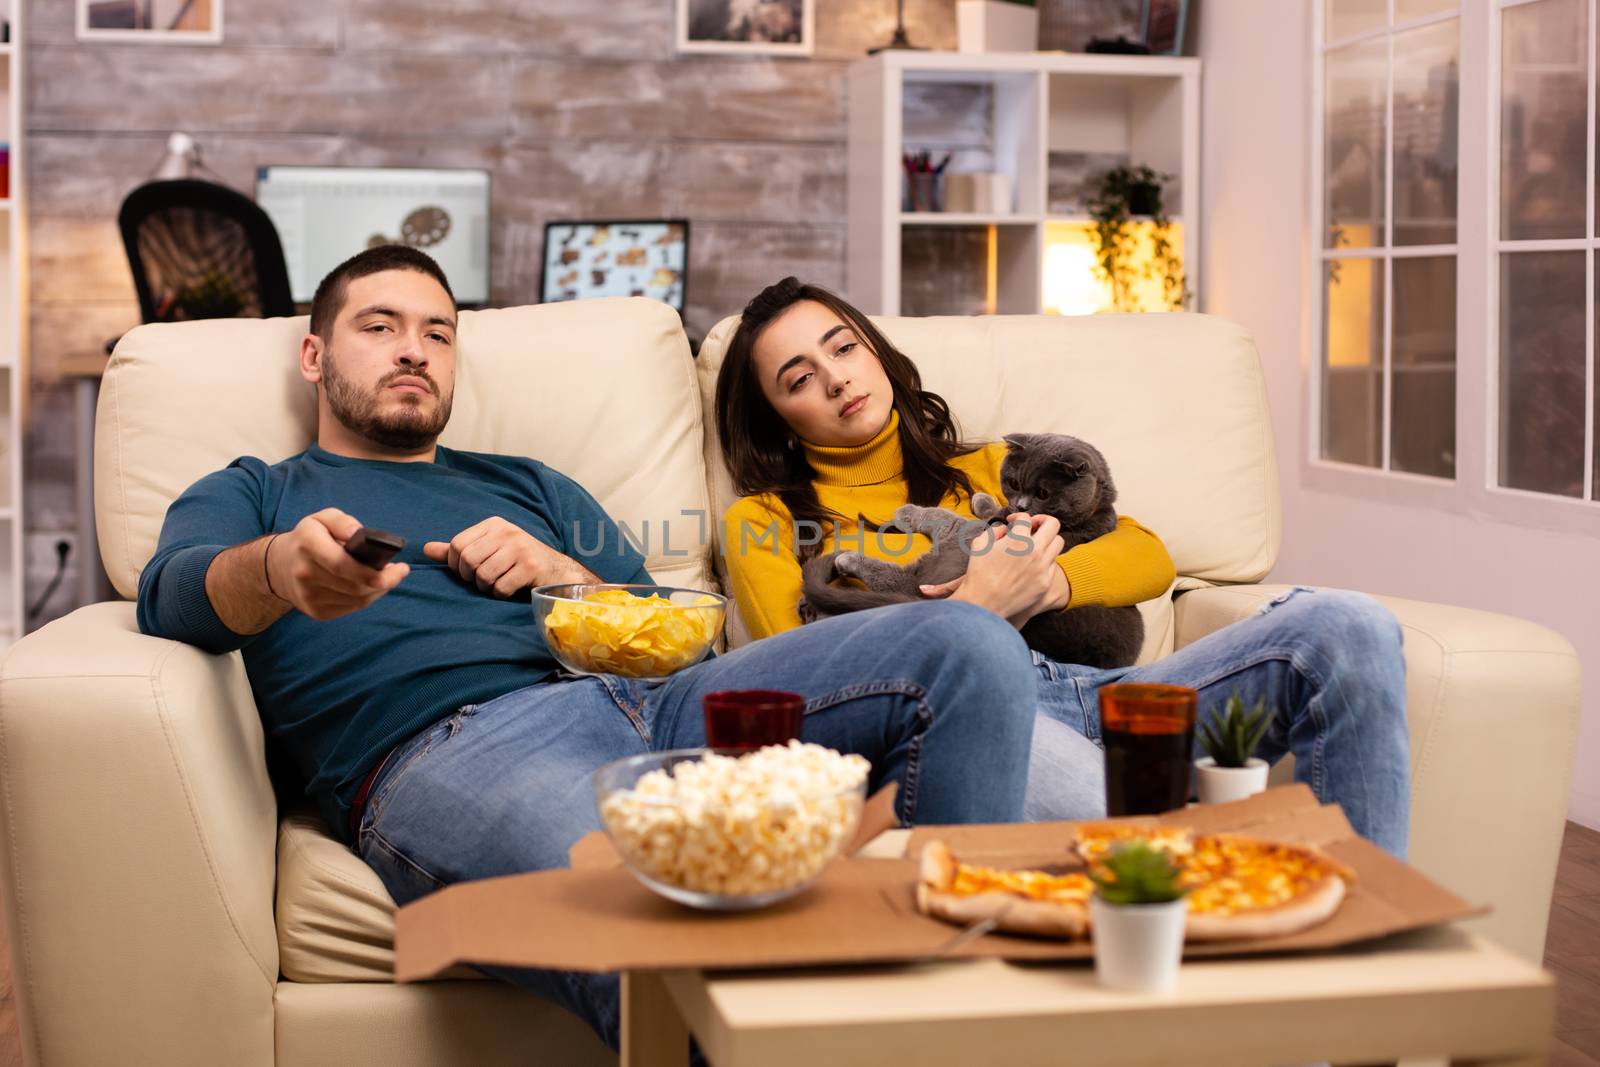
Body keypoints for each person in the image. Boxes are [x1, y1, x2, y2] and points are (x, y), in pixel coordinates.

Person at [136, 246, 1043, 1049]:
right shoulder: (258, 489)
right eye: (380, 326)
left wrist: (561, 573)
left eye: (439, 334)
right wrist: (279, 569)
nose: (415, 348)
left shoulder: (529, 482)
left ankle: (961, 1024)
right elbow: (170, 595)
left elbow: (675, 638)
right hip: (451, 746)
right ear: (314, 354)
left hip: (659, 704)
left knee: (964, 639)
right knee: (674, 930)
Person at [714, 276, 1411, 857]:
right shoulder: (766, 523)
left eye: (845, 347)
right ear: (779, 417)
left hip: (1106, 690)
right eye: (800, 378)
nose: (837, 379)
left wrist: (1047, 583)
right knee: (1150, 846)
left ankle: (1368, 950)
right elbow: (803, 688)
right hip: (971, 719)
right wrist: (977, 607)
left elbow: (1146, 553)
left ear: (876, 352)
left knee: (1346, 626)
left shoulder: (992, 467)